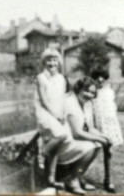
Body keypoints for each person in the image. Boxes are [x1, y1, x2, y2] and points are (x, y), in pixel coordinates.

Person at [62, 77, 112, 194]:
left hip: (73, 139)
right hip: (63, 142)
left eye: (92, 93)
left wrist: (104, 138)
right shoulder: (70, 102)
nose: (89, 95)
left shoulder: (87, 103)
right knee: (91, 146)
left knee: (98, 144)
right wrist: (100, 139)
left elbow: (90, 127)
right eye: (86, 90)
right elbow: (77, 133)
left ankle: (79, 175)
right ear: (78, 89)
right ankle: (72, 180)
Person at [34, 47, 70, 188]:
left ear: (58, 62)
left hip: (58, 113)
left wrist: (62, 114)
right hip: (44, 112)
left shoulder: (61, 78)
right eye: (49, 60)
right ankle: (42, 155)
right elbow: (43, 100)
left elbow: (62, 98)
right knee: (61, 135)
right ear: (44, 61)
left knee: (56, 146)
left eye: (54, 59)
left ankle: (51, 178)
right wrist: (55, 115)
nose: (52, 63)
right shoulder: (41, 78)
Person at [91, 69, 124, 193]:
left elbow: (111, 111)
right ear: (94, 80)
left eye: (103, 79)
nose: (100, 81)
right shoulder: (91, 92)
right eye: (97, 79)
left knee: (108, 152)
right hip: (94, 125)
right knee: (91, 152)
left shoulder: (109, 92)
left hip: (107, 125)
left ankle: (108, 180)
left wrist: (112, 128)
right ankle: (78, 176)